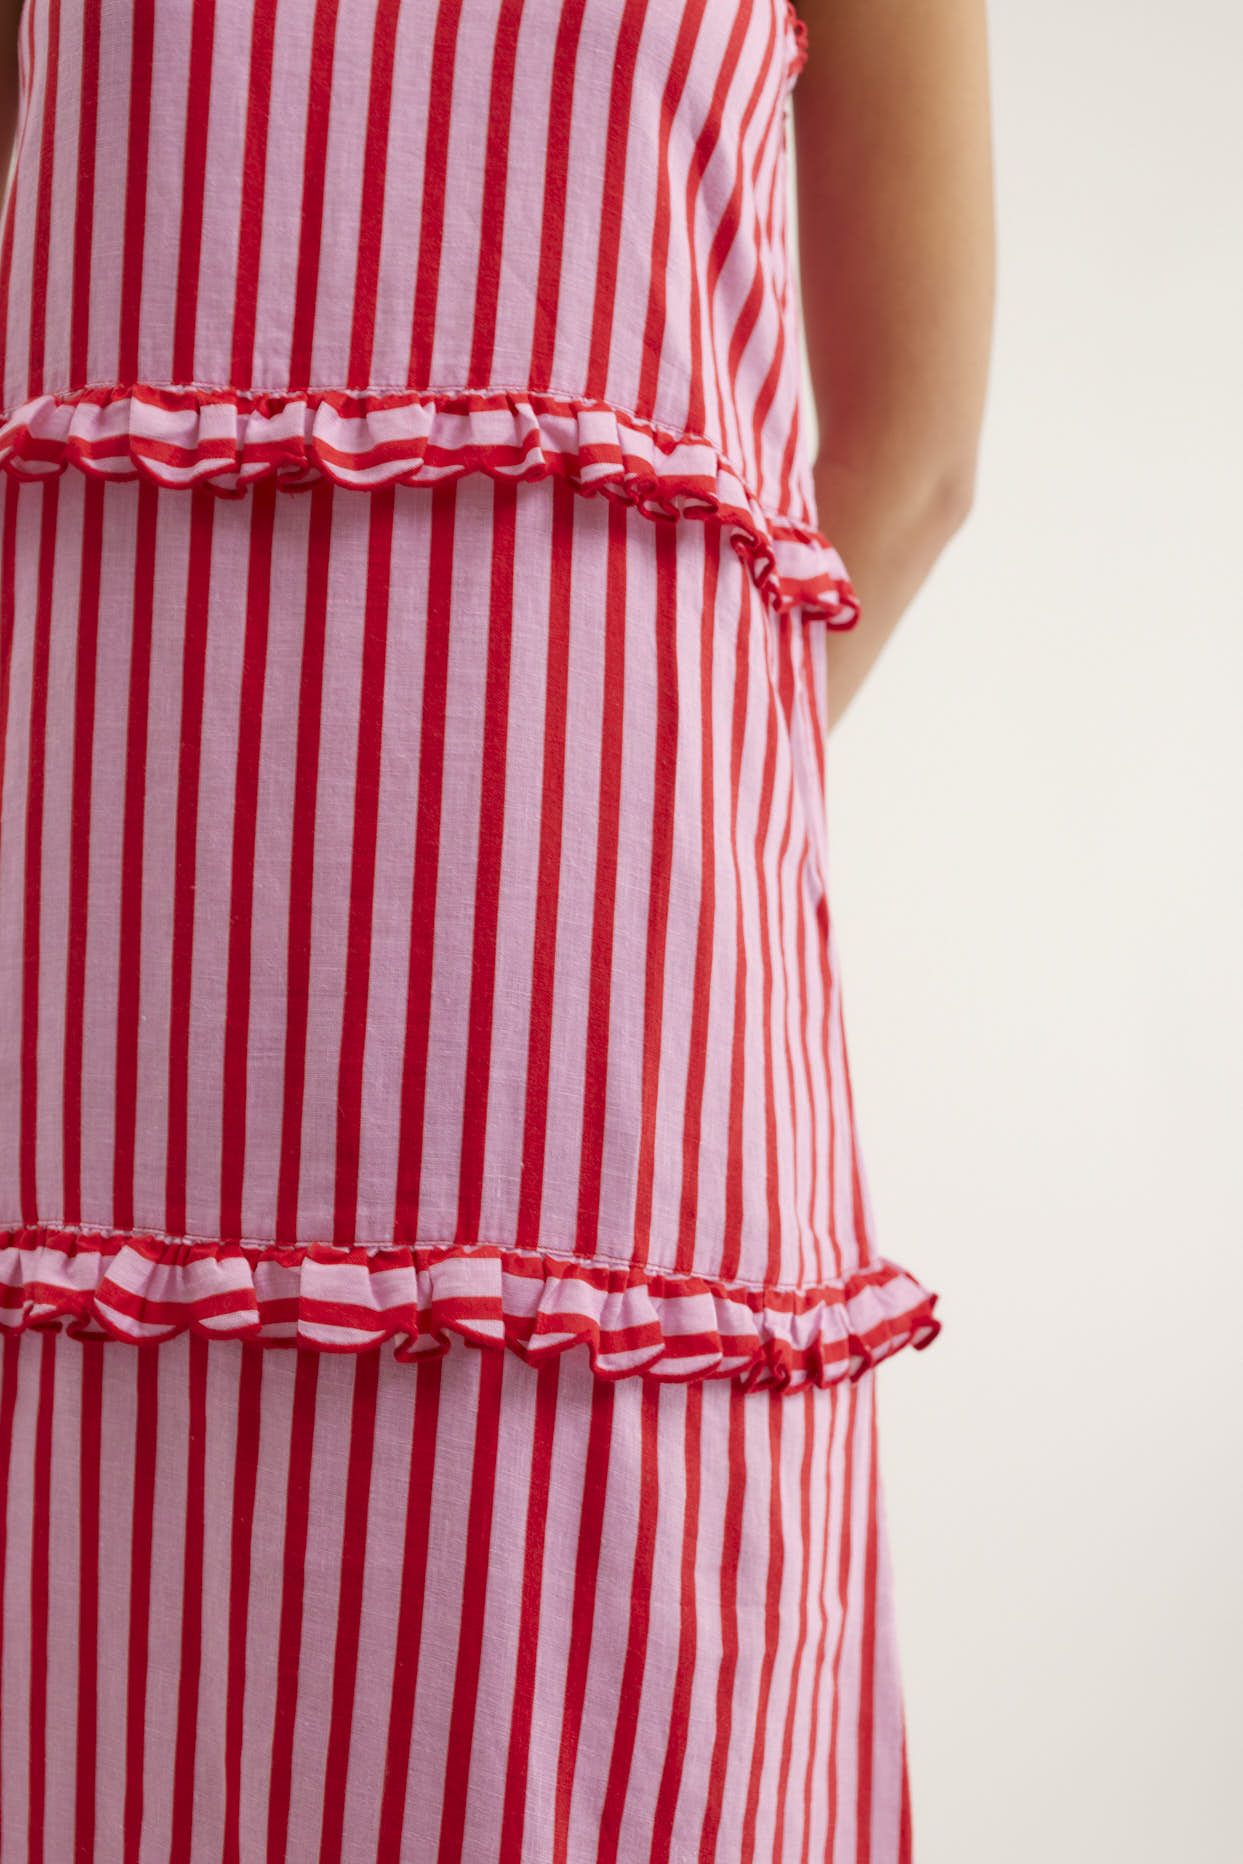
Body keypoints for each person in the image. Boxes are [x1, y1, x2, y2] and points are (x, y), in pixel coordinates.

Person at [0, 0, 993, 1858]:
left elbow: (915, 447)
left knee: (604, 1714)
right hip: (113, 1029)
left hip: (609, 1038)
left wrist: (591, 773)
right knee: (122, 1700)